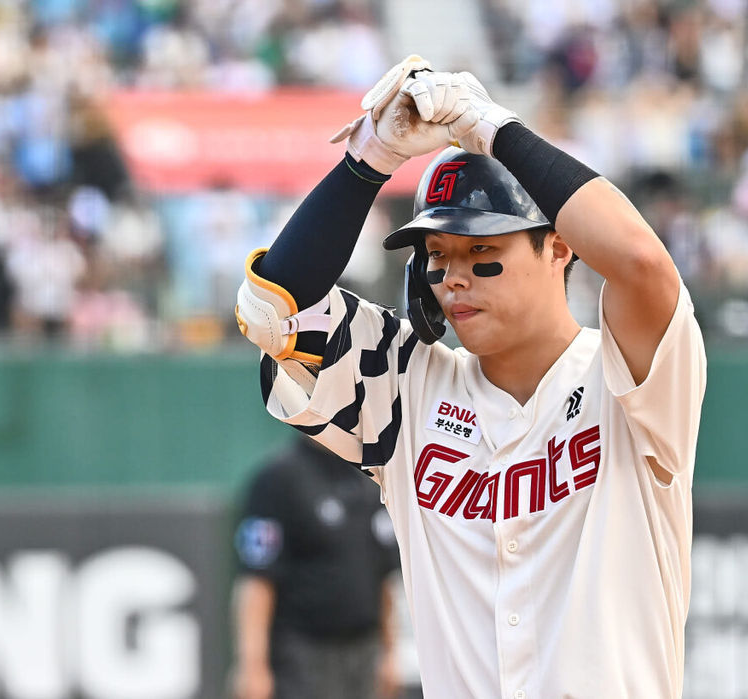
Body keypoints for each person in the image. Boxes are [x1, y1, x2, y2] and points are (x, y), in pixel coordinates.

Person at [235, 55, 707, 698]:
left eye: (483, 253)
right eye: (437, 255)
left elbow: (641, 264)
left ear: (560, 246)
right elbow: (272, 311)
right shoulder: (408, 385)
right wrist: (369, 158)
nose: (453, 278)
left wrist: (489, 127)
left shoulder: (628, 377)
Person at [231, 435, 401, 699]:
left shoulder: (370, 477)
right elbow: (257, 581)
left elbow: (383, 580)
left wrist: (390, 653)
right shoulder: (277, 479)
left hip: (364, 650)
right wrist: (253, 666)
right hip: (303, 654)